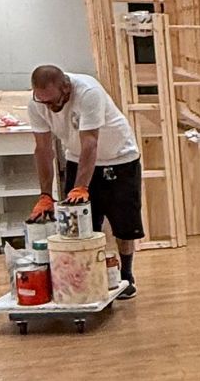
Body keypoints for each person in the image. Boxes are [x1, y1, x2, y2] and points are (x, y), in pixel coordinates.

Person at [25, 64, 143, 298]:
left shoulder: (89, 92)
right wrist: (45, 195)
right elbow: (43, 149)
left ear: (66, 88)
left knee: (124, 226)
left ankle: (126, 275)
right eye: (42, 100)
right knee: (80, 225)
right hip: (77, 158)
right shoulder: (37, 104)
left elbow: (90, 142)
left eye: (52, 100)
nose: (48, 106)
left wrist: (81, 187)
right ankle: (89, 279)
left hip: (118, 158)